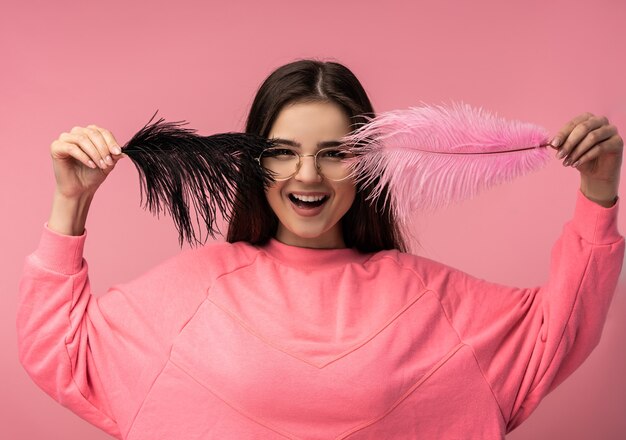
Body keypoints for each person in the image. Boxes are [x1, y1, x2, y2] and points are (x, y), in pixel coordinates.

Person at [17, 59, 624, 439]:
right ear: (255, 163)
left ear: (366, 167)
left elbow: (555, 334)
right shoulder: (194, 290)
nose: (307, 175)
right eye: (283, 151)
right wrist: (71, 202)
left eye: (333, 153)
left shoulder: (427, 296)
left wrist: (598, 195)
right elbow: (61, 354)